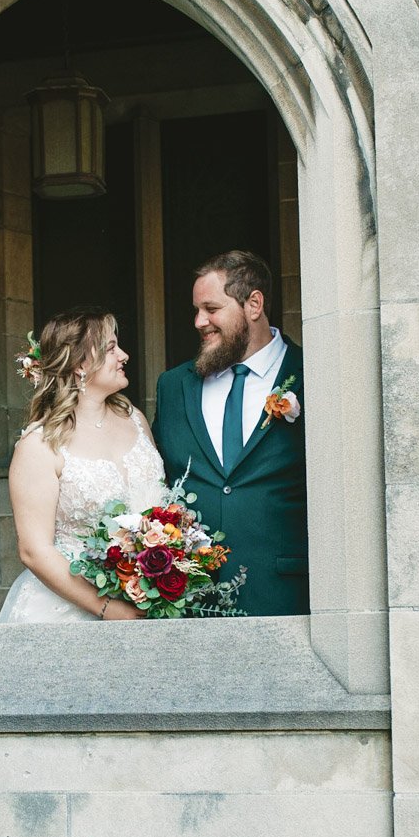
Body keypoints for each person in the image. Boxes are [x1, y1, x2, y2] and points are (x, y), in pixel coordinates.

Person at [153, 249, 308, 618]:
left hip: (287, 595)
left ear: (254, 304)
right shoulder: (173, 387)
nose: (198, 321)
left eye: (211, 308)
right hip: (191, 601)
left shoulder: (311, 374)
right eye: (196, 310)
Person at [0, 309, 166, 623]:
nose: (124, 355)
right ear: (79, 365)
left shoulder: (135, 419)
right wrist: (105, 607)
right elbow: (34, 550)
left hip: (146, 603)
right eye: (111, 348)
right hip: (64, 612)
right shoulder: (40, 445)